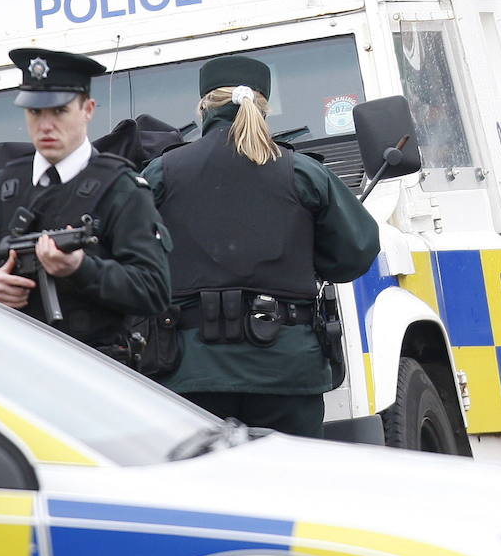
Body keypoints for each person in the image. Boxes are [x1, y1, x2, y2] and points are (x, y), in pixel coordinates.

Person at [141, 55, 380, 438]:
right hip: (286, 370)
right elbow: (356, 253)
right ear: (263, 108)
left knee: (204, 476)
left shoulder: (161, 173)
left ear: (203, 108)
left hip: (192, 372)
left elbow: (128, 254)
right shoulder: (302, 172)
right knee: (289, 475)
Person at [0, 48, 171, 353]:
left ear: (87, 109)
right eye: (35, 112)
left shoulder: (121, 189)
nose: (46, 125)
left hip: (92, 365)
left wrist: (80, 268)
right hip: (8, 363)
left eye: (59, 111)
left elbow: (153, 290)